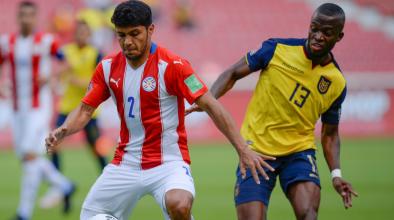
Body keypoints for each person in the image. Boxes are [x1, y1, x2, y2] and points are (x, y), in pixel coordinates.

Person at [45, 1, 274, 220]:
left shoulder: (173, 66)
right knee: (91, 216)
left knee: (179, 204)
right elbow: (85, 109)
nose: (127, 42)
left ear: (151, 29)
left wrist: (242, 149)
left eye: (135, 34)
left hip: (168, 162)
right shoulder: (107, 67)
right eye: (121, 35)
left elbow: (211, 105)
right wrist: (64, 129)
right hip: (125, 162)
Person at [186, 3, 358, 220]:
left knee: (308, 214)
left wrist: (336, 174)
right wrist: (208, 100)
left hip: (298, 152)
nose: (318, 36)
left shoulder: (336, 82)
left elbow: (330, 133)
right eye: (314, 28)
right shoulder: (276, 49)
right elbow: (232, 73)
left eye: (327, 32)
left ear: (339, 37)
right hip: (256, 151)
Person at [0, 1, 75, 220]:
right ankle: (64, 185)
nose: (26, 19)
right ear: (18, 17)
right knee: (25, 155)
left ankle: (24, 213)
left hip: (38, 107)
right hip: (16, 107)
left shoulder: (46, 41)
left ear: (36, 18)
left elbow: (67, 63)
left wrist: (51, 77)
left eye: (30, 15)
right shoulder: (8, 42)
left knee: (31, 155)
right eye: (22, 15)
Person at [52, 20, 106, 172]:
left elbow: (99, 82)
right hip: (67, 107)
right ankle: (58, 182)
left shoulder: (95, 53)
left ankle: (106, 176)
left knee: (95, 146)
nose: (81, 35)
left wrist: (78, 80)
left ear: (89, 34)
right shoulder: (65, 51)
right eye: (78, 32)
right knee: (54, 142)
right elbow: (57, 72)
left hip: (89, 109)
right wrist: (59, 74)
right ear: (74, 34)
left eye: (84, 32)